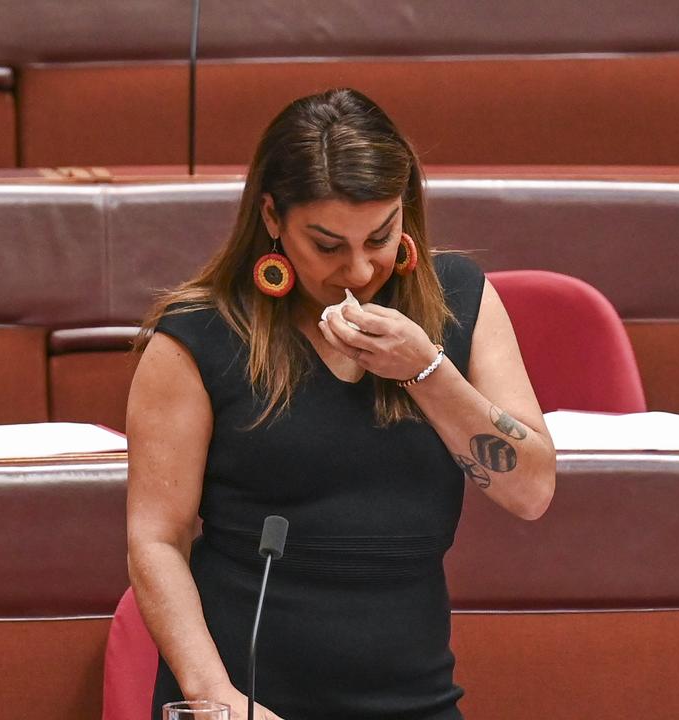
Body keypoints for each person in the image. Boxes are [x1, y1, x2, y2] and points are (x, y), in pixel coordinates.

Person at [126, 88, 556, 720]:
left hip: (416, 700)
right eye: (327, 245)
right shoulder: (197, 335)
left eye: (380, 237)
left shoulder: (461, 301)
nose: (358, 270)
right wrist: (213, 697)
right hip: (246, 700)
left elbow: (531, 490)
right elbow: (156, 539)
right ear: (272, 217)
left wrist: (428, 372)